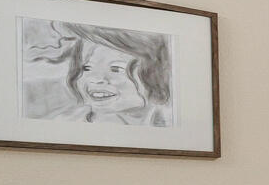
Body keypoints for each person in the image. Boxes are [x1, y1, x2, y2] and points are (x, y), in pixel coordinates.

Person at [21, 20, 174, 126]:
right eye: (86, 68)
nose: (96, 79)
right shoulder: (65, 123)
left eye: (116, 69)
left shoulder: (166, 121)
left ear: (154, 75)